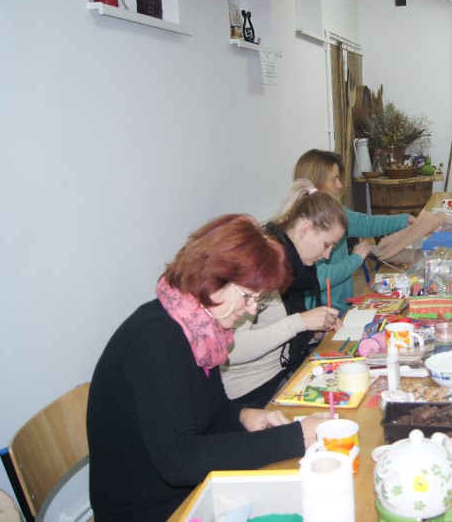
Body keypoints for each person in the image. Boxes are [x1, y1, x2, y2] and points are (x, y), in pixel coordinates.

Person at [87, 214, 328, 521]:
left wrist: (243, 415)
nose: (251, 309)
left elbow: (210, 407)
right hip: (150, 510)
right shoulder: (157, 339)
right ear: (213, 280)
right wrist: (292, 439)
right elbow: (180, 461)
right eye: (248, 297)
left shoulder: (202, 329)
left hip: (187, 492)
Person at [221, 180, 346, 406]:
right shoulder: (262, 264)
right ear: (306, 230)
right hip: (253, 392)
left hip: (285, 371)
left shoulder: (295, 266)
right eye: (327, 245)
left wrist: (314, 332)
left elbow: (280, 331)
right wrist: (300, 322)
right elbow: (229, 348)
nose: (327, 255)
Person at [293, 149, 413, 314]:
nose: (340, 185)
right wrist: (355, 259)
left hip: (341, 309)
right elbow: (319, 278)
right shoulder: (304, 228)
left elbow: (366, 223)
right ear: (316, 183)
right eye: (334, 179)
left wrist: (403, 220)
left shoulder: (336, 213)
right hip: (321, 317)